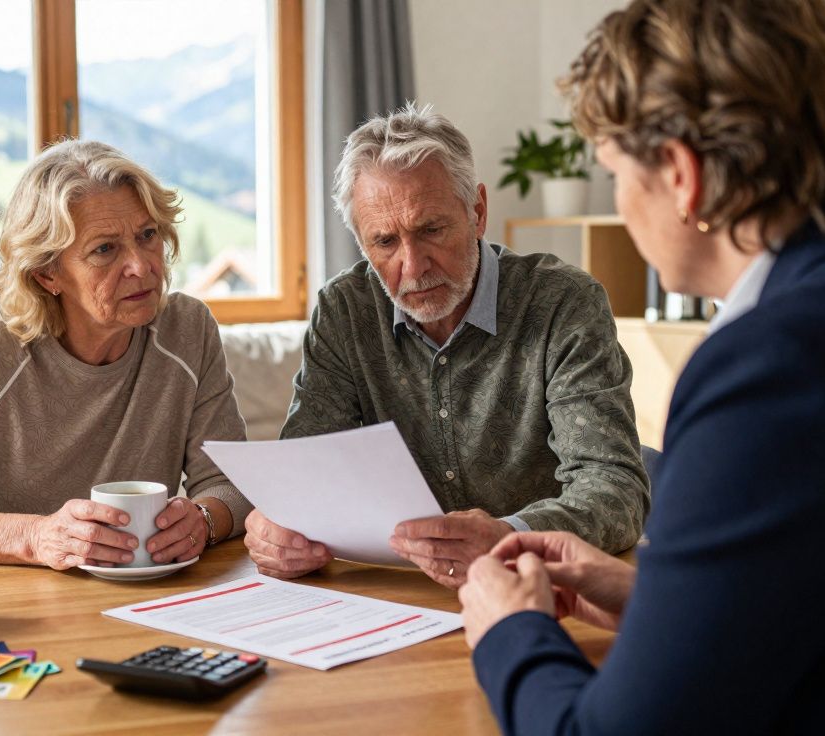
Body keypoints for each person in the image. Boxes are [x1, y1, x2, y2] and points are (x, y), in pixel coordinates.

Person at [459, 1, 825, 733]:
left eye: (616, 173)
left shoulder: (773, 368)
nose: (622, 206)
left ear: (682, 176)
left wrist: (509, 631)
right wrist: (663, 600)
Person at [245, 104, 650, 588]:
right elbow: (302, 475)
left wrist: (509, 536)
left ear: (477, 212)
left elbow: (615, 490)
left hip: (537, 587)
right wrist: (277, 529)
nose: (413, 266)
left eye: (431, 230)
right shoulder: (345, 310)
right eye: (385, 242)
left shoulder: (563, 303)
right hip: (397, 594)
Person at [0, 140, 251, 569]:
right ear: (47, 274)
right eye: (105, 249)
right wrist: (36, 537)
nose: (141, 266)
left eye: (147, 236)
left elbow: (231, 485)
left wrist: (203, 519)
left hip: (149, 590)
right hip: (18, 596)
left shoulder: (187, 330)